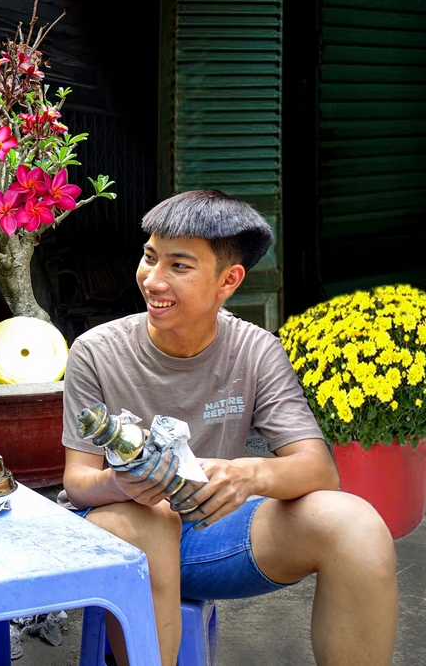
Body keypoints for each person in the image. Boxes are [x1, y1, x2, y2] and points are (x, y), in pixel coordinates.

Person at [61, 190, 398, 666]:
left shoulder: (256, 350)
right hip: (118, 532)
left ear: (229, 280)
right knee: (151, 519)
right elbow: (77, 483)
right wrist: (121, 483)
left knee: (354, 524)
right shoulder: (96, 350)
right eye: (150, 257)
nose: (152, 279)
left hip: (210, 537)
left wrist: (248, 474)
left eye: (179, 266)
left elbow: (319, 470)